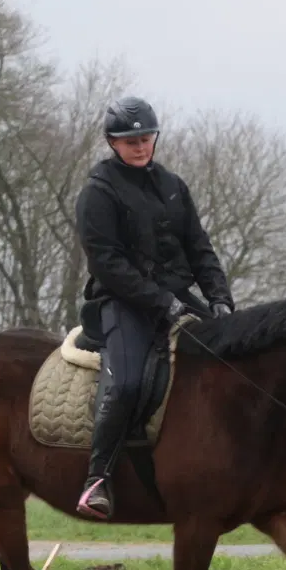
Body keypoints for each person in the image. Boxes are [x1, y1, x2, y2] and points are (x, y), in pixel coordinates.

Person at [73, 95, 236, 520]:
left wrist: (219, 299)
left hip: (180, 300)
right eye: (131, 140)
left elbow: (200, 249)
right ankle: (97, 479)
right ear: (113, 142)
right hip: (122, 302)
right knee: (127, 383)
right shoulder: (98, 191)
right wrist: (161, 302)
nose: (141, 145)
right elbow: (106, 263)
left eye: (146, 137)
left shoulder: (172, 185)